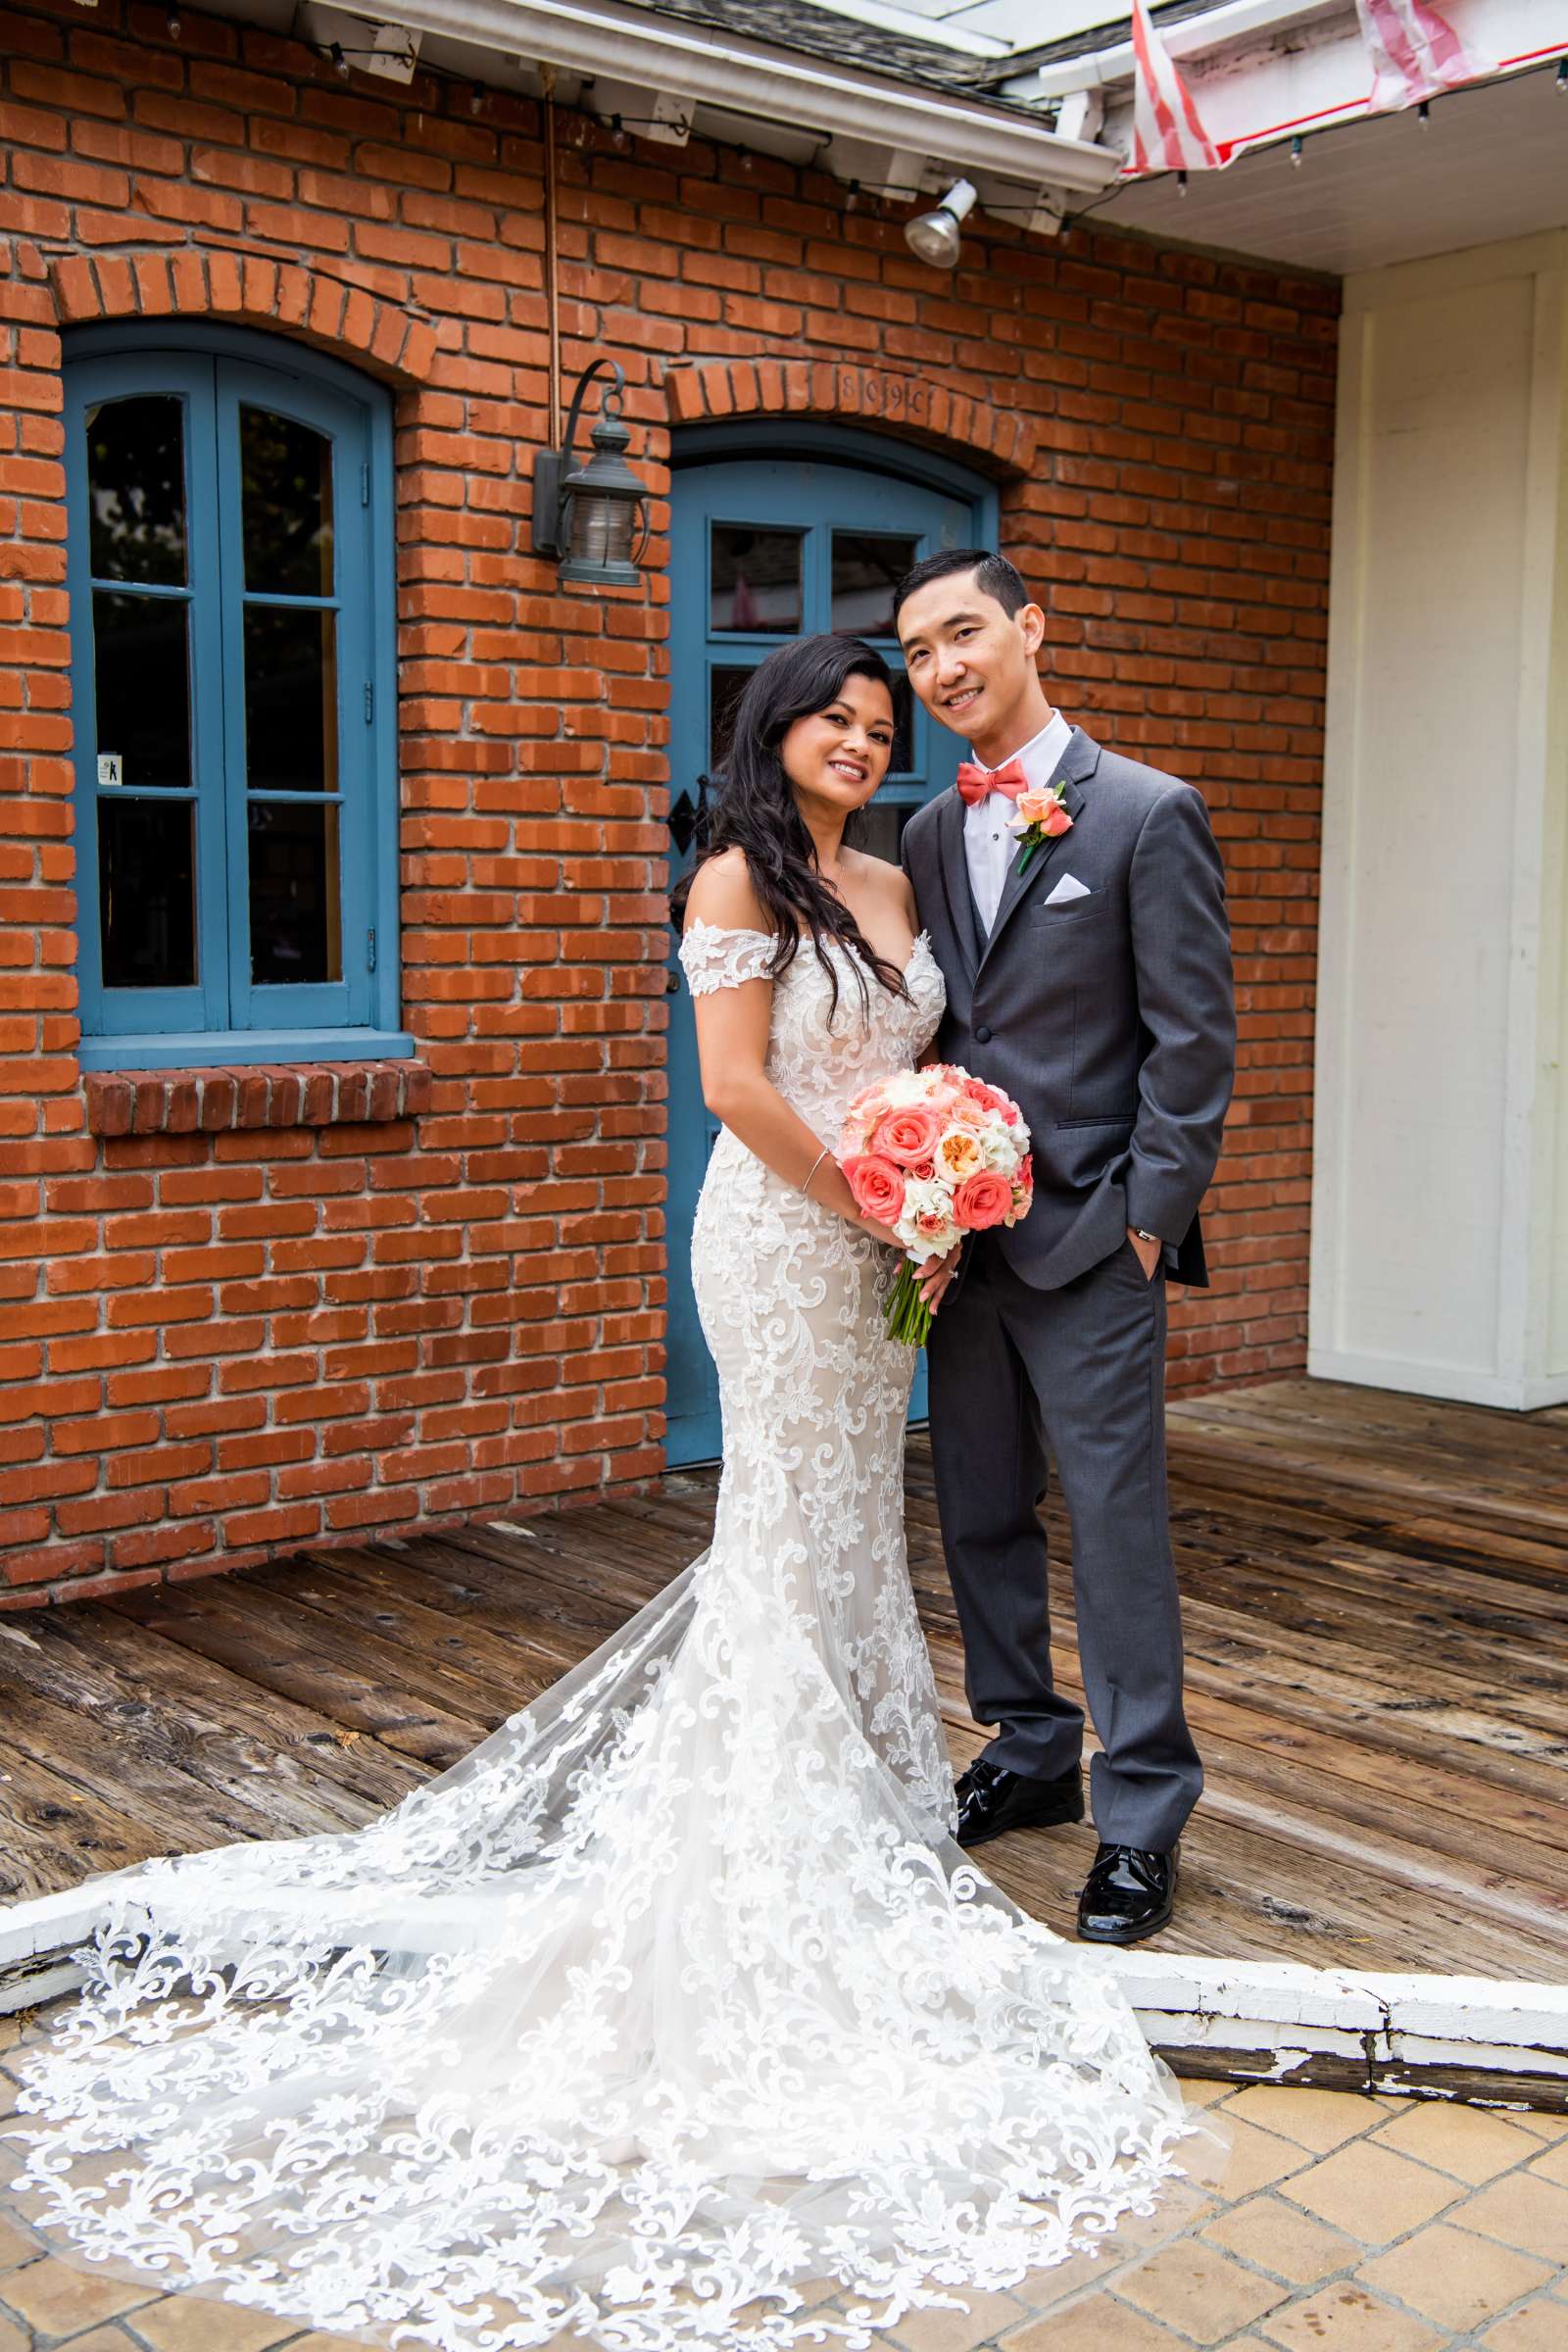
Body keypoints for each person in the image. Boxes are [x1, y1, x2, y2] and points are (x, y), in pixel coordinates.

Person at [2, 633, 1215, 2352]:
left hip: (904, 1254)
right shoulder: (737, 869)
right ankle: (764, 1828)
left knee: (856, 1520)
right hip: (798, 1238)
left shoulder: (904, 866)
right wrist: (887, 1203)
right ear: (775, 730)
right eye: (837, 720)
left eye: (884, 724)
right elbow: (734, 1088)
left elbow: (982, 1045)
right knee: (785, 1519)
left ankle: (862, 1787)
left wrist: (943, 1177)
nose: (864, 742)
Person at [896, 551, 1236, 1946]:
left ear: (1028, 627)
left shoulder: (1148, 813)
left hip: (1095, 1240)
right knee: (975, 1509)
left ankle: (1142, 1812)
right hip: (959, 1250)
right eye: (916, 653)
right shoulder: (922, 833)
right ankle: (1029, 1748)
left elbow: (1193, 1041)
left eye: (962, 634)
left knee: (1114, 1528)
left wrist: (1146, 1224)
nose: (940, 669)